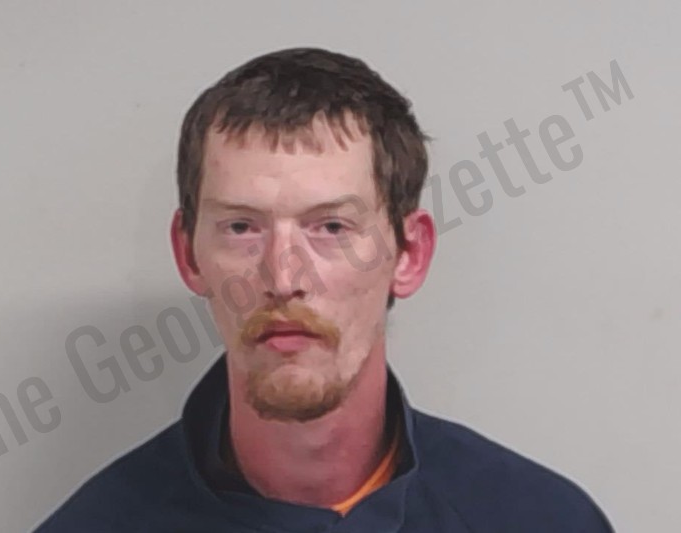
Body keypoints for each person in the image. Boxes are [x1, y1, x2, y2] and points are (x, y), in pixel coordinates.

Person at [34, 47, 614, 532]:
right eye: (241, 227)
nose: (283, 280)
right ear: (188, 255)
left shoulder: (542, 520)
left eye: (332, 227)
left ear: (409, 255)